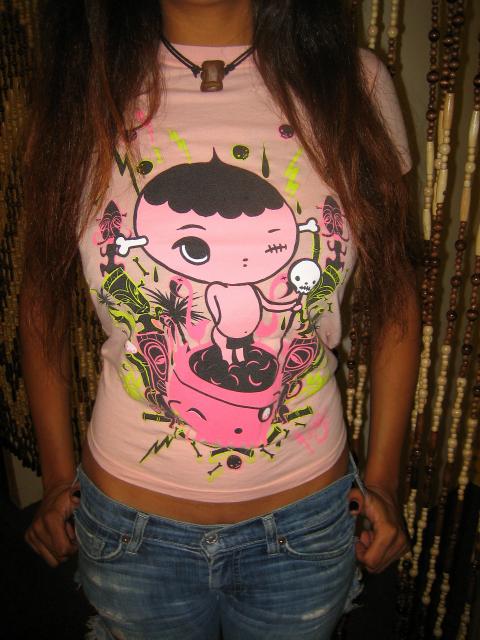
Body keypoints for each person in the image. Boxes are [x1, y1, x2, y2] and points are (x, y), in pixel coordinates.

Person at [21, 1, 420, 638]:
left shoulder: (354, 84)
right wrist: (52, 475)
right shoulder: (84, 89)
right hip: (130, 531)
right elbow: (40, 297)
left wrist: (385, 479)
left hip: (307, 526)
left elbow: (398, 294)